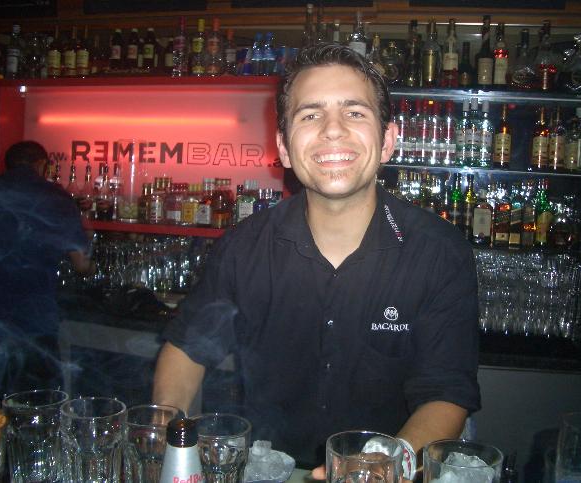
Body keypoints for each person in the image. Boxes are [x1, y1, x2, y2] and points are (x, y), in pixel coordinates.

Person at [153, 43, 480, 476]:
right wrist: (167, 440)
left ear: (388, 141)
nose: (332, 130)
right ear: (284, 148)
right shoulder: (243, 247)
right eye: (310, 115)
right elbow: (187, 348)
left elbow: (447, 393)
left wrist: (385, 465)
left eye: (354, 112)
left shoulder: (439, 252)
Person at [0, 140, 93, 405]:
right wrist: (87, 237)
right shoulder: (55, 198)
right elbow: (82, 264)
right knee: (36, 405)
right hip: (34, 319)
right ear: (42, 164)